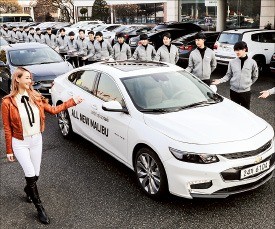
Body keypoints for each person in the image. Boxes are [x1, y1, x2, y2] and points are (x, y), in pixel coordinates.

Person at [1, 67, 83, 224]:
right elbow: (7, 128)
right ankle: (40, 209)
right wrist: (9, 150)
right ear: (17, 79)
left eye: (30, 78)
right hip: (20, 143)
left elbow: (53, 110)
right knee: (30, 174)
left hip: (36, 140)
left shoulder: (36, 97)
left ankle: (28, 190)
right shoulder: (7, 102)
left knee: (36, 175)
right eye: (27, 78)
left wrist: (71, 102)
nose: (30, 81)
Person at [212, 41, 258, 109]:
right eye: (235, 50)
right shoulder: (232, 62)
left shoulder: (252, 62)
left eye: (238, 50)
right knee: (234, 110)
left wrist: (248, 84)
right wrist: (220, 81)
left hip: (246, 92)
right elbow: (228, 75)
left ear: (244, 49)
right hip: (233, 91)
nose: (236, 52)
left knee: (245, 111)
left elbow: (255, 76)